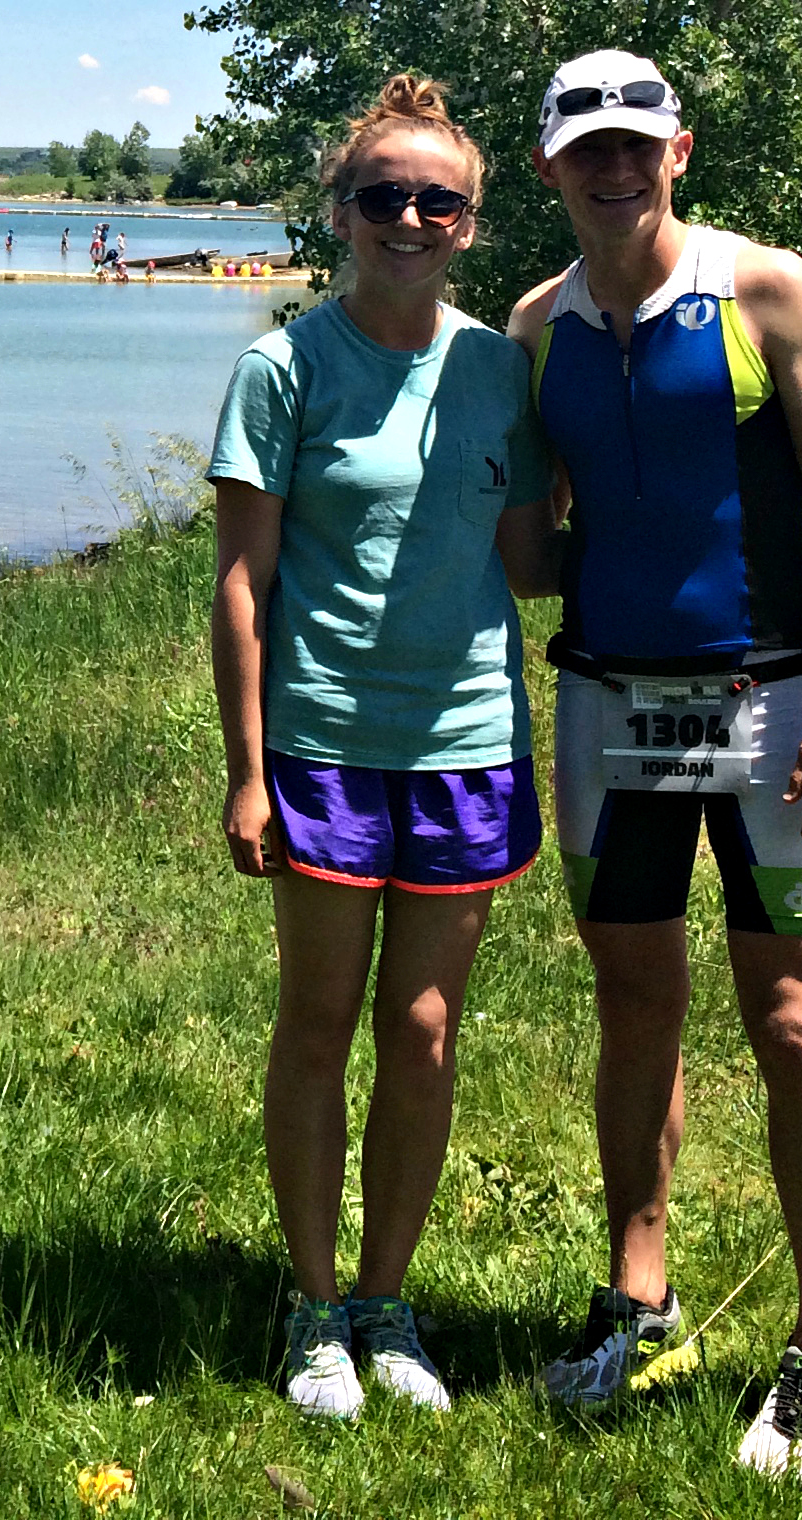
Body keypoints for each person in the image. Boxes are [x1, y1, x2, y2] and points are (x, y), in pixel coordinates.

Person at [506, 49, 802, 1484]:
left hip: (780, 702)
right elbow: (539, 541)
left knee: (795, 1025)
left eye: (636, 144)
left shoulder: (766, 292)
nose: (614, 169)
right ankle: (640, 1301)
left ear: (679, 151)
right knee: (634, 1011)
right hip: (610, 709)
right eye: (585, 149)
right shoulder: (533, 329)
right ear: (547, 169)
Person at [209, 75, 558, 1422]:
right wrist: (247, 768)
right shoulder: (284, 367)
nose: (408, 216)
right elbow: (243, 582)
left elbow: (529, 560)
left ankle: (386, 1299)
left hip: (467, 742)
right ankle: (310, 1307)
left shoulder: (496, 372)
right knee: (318, 1021)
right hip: (323, 745)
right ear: (340, 210)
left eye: (438, 199)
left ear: (471, 221)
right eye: (382, 196)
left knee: (422, 1030)